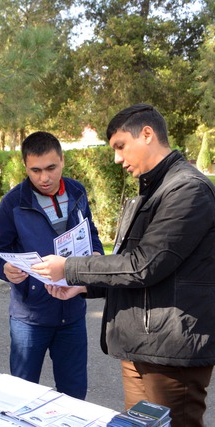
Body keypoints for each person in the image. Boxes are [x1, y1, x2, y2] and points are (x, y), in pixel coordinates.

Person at [32, 104, 215, 426]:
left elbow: (144, 265)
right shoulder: (155, 189)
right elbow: (138, 267)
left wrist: (70, 268)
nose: (117, 158)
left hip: (170, 349)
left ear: (147, 134)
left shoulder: (187, 189)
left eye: (120, 146)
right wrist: (84, 284)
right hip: (143, 344)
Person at [0, 131, 104, 400]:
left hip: (72, 313)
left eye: (51, 168)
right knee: (22, 396)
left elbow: (91, 232)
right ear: (25, 166)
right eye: (35, 170)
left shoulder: (77, 191)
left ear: (62, 160)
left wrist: (96, 254)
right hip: (30, 318)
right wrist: (4, 269)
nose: (44, 178)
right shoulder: (12, 203)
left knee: (74, 397)